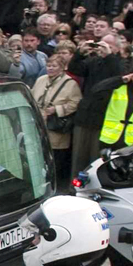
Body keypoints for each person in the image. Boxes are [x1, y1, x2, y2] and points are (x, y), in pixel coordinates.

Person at [31, 53, 82, 185]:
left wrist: (57, 109)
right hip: (39, 123)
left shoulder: (71, 84)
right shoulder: (41, 80)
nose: (50, 68)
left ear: (62, 67)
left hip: (56, 126)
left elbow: (76, 103)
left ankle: (54, 182)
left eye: (54, 66)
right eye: (48, 65)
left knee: (55, 156)